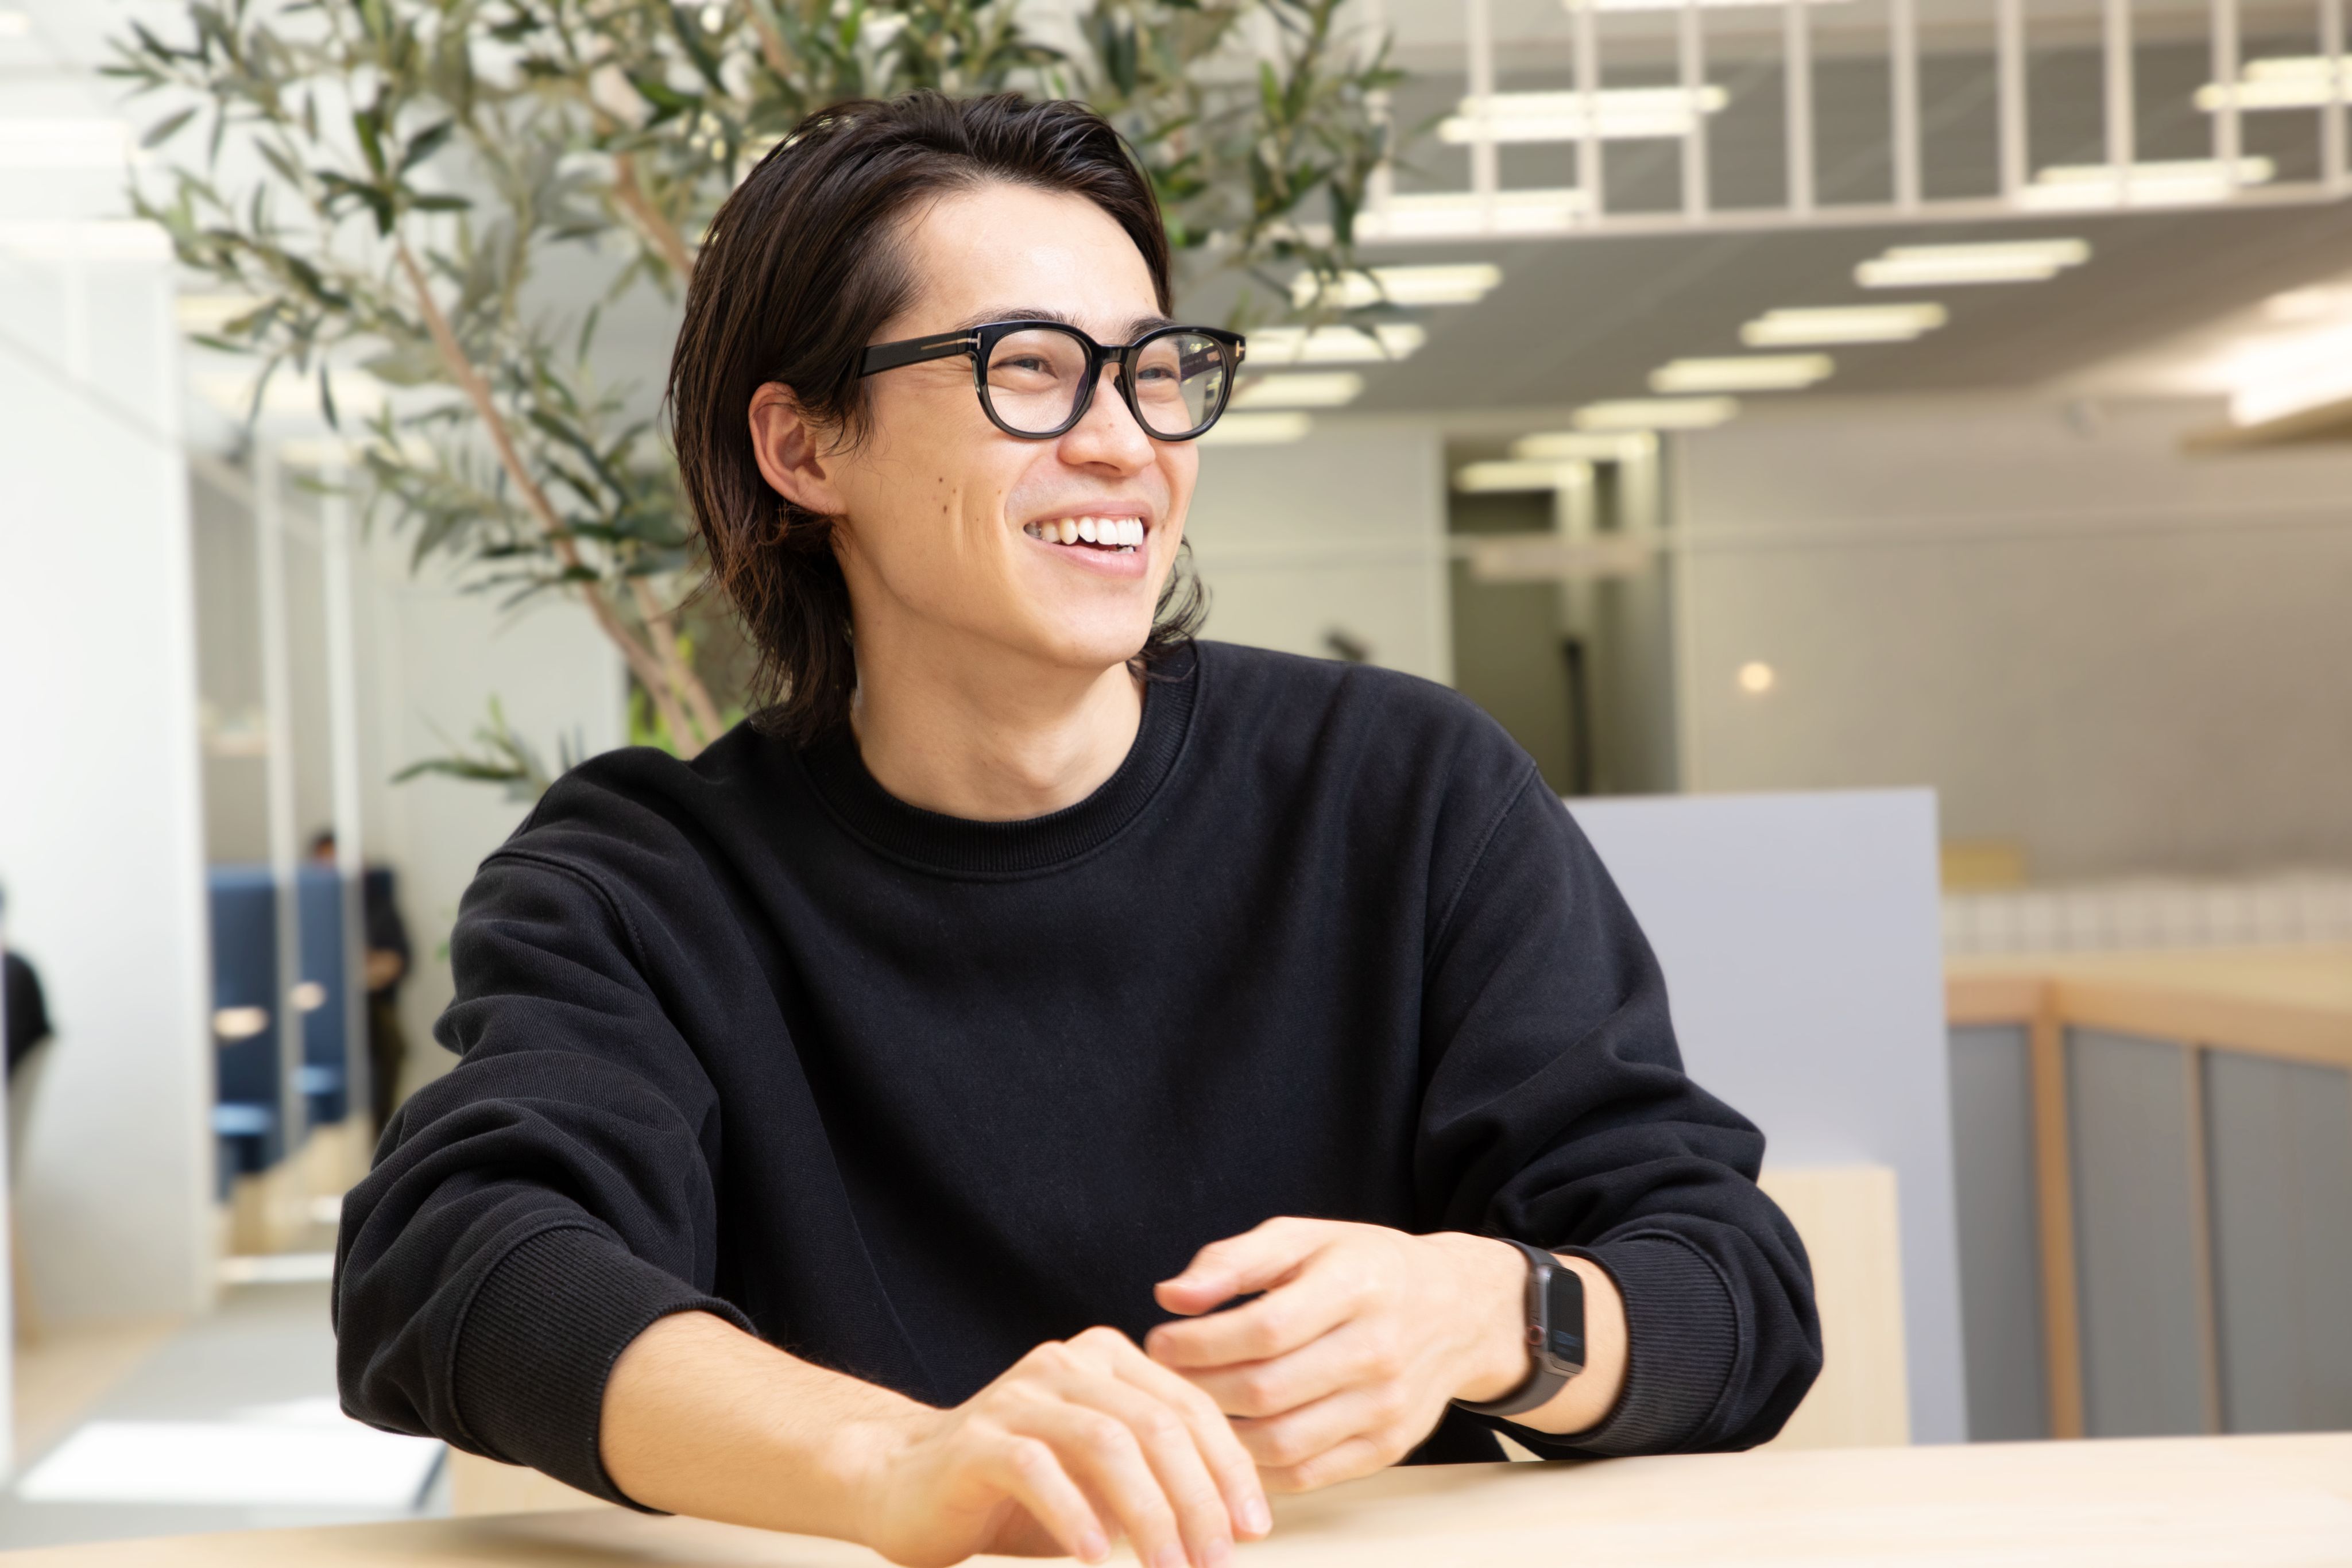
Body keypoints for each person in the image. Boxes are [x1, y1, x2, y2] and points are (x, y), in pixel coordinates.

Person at [335, 91, 1820, 1568]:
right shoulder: (645, 879)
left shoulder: (1403, 790)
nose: (1124, 442)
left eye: (1154, 372)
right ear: (803, 448)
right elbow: (459, 1261)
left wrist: (1493, 1313)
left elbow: (1730, 1285)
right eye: (1028, 370)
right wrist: (895, 1462)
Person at [310, 831, 414, 1135]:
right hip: (319, 1009)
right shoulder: (304, 911)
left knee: (388, 1040)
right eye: (327, 864)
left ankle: (380, 1133)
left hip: (370, 1004)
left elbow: (400, 960)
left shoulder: (378, 908)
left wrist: (369, 968)